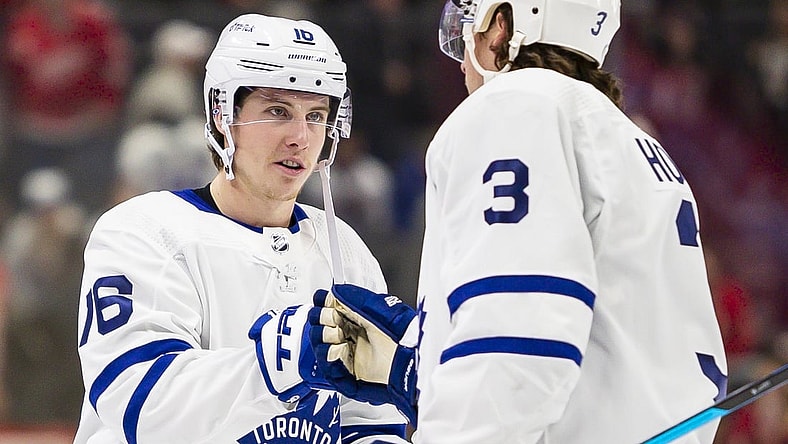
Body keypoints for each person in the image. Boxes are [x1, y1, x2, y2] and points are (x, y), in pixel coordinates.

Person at [310, 0, 729, 442]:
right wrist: (413, 362)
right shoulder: (634, 139)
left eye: (470, 25)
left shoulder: (513, 107)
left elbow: (520, 336)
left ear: (502, 26)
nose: (462, 59)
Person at [74, 13, 408, 444]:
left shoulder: (343, 248)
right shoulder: (142, 232)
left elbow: (369, 421)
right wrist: (282, 361)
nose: (301, 138)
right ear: (221, 114)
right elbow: (141, 405)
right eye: (277, 111)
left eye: (317, 116)